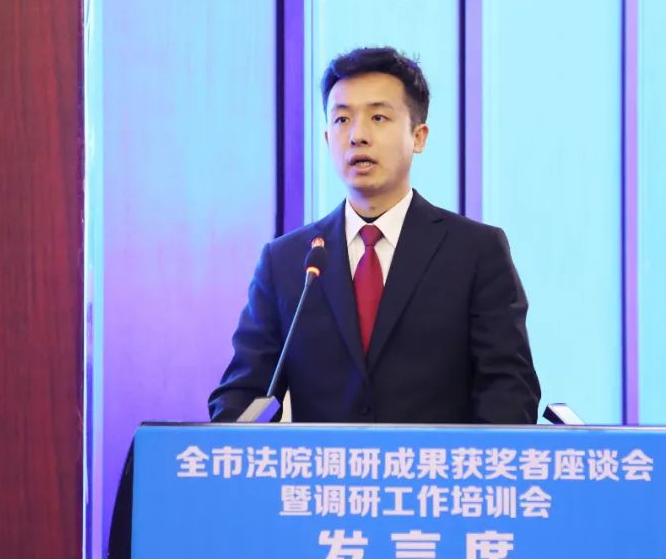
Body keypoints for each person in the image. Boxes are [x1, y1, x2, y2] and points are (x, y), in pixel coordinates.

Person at [208, 46, 540, 424]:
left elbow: (508, 390)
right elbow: (243, 391)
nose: (358, 136)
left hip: (434, 464)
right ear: (327, 139)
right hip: (321, 464)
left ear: (418, 137)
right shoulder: (287, 261)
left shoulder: (475, 252)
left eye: (378, 117)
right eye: (342, 119)